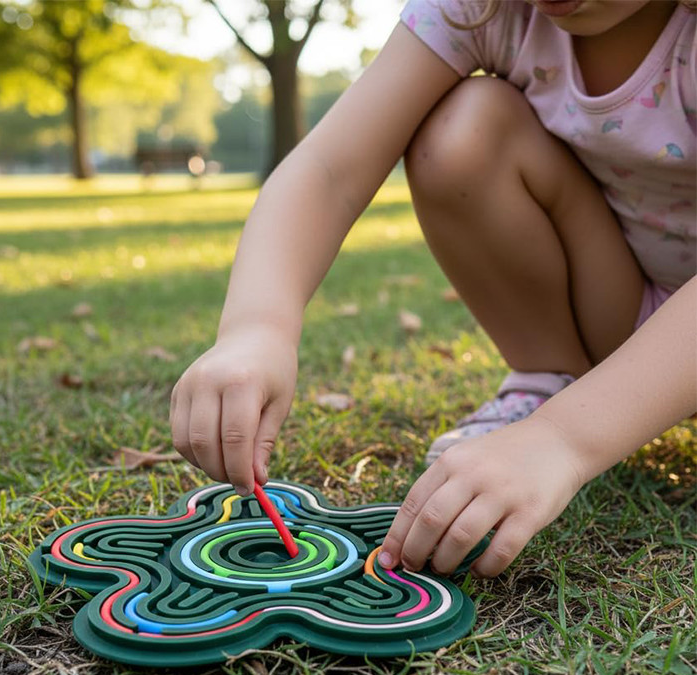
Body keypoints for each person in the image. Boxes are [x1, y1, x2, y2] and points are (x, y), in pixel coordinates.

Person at [170, 0, 696, 581]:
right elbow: (328, 168)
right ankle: (551, 378)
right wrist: (256, 328)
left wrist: (562, 440)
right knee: (463, 129)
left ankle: (562, 414)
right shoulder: (489, 9)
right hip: (622, 309)